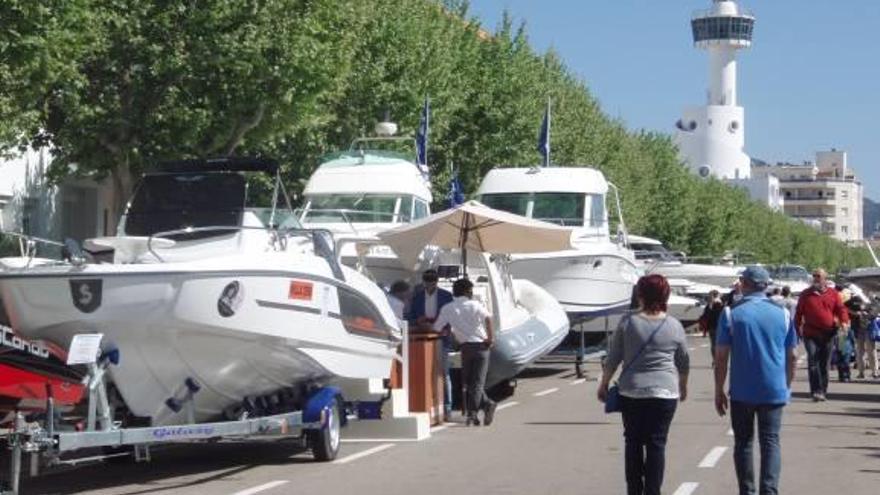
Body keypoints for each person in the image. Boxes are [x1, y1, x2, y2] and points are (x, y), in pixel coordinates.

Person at [598, 274, 690, 495]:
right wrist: (683, 386)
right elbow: (683, 361)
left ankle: (634, 491)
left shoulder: (628, 321)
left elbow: (614, 356)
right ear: (666, 295)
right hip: (666, 393)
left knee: (633, 442)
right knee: (657, 443)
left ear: (640, 294)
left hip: (632, 391)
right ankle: (653, 491)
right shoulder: (674, 325)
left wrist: (604, 383)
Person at [714, 266, 797, 495]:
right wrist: (787, 384)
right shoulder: (782, 314)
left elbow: (721, 356)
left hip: (742, 390)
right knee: (770, 442)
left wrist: (718, 389)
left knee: (743, 443)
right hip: (773, 388)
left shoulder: (731, 313)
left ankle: (747, 491)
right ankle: (769, 490)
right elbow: (792, 356)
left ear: (744, 283)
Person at [433, 278, 496, 427]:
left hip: (465, 347)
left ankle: (475, 412)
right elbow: (488, 318)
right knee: (477, 382)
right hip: (482, 346)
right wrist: (491, 338)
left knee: (469, 382)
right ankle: (484, 406)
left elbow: (436, 328)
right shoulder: (476, 305)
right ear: (468, 291)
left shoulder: (448, 308)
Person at [794, 268, 849, 401]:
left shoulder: (833, 294)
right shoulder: (805, 294)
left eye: (818, 276)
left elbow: (841, 309)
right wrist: (797, 330)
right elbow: (798, 313)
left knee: (824, 363)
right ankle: (816, 391)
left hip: (828, 333)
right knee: (813, 361)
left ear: (825, 278)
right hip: (810, 333)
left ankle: (823, 390)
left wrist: (844, 322)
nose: (816, 278)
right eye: (814, 276)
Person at [408, 269, 454, 419]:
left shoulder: (446, 296)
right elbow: (411, 317)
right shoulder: (417, 297)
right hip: (423, 339)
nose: (430, 283)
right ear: (423, 281)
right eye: (427, 280)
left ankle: (447, 407)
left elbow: (451, 318)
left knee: (444, 373)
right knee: (427, 373)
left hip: (442, 339)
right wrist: (418, 321)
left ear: (437, 280)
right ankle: (430, 406)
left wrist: (444, 328)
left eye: (432, 280)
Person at [846, 295, 874, 379]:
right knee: (859, 351)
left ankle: (874, 372)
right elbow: (844, 307)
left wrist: (869, 314)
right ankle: (861, 372)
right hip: (858, 328)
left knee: (871, 351)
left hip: (870, 328)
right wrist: (854, 313)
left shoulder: (872, 298)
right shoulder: (854, 298)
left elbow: (876, 311)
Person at [699, 290, 724, 365]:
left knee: (714, 344)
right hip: (715, 327)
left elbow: (707, 315)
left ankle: (715, 360)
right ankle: (716, 360)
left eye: (710, 296)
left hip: (713, 327)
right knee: (717, 344)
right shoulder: (719, 304)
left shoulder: (712, 305)